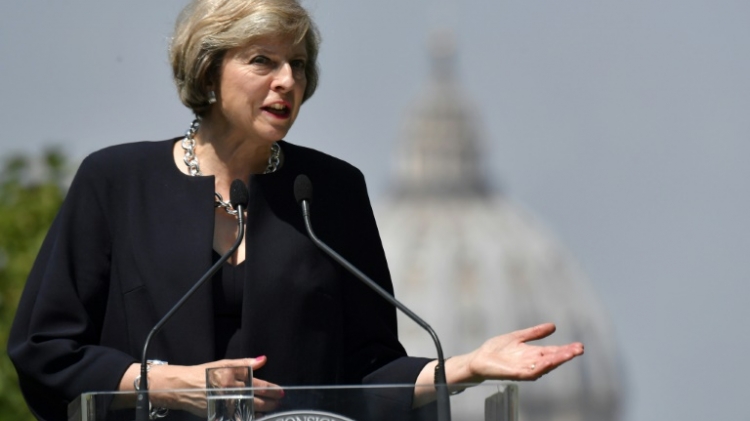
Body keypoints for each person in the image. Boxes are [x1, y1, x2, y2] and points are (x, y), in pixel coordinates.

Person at [7, 1, 584, 420]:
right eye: (263, 61)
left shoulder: (328, 192)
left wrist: (464, 367)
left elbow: (367, 368)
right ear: (209, 70)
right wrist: (162, 384)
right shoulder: (117, 182)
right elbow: (46, 348)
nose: (288, 81)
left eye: (299, 65)